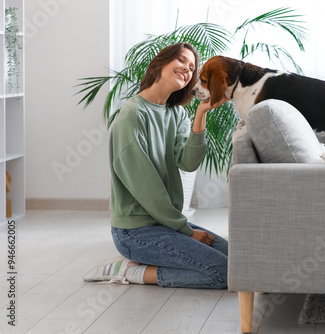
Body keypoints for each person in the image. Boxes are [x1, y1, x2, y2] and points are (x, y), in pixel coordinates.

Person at [83, 42, 229, 288]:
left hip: (165, 222)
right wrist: (185, 229)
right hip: (136, 231)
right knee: (223, 272)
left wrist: (201, 113)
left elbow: (188, 162)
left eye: (192, 67)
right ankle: (130, 272)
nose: (187, 69)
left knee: (238, 261)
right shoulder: (133, 114)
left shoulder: (176, 114)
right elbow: (146, 186)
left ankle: (147, 263)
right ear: (160, 63)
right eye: (181, 60)